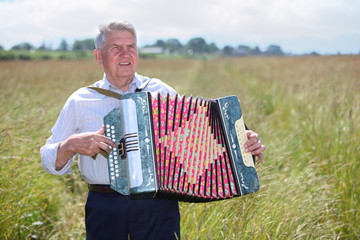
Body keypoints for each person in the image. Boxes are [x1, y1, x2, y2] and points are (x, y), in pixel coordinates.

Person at [40, 20, 266, 240]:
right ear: (99, 56)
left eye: (131, 47)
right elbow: (48, 160)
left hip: (158, 206)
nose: (125, 54)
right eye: (116, 48)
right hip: (104, 205)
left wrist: (243, 142)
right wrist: (70, 145)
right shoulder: (80, 100)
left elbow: (199, 139)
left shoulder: (160, 91)